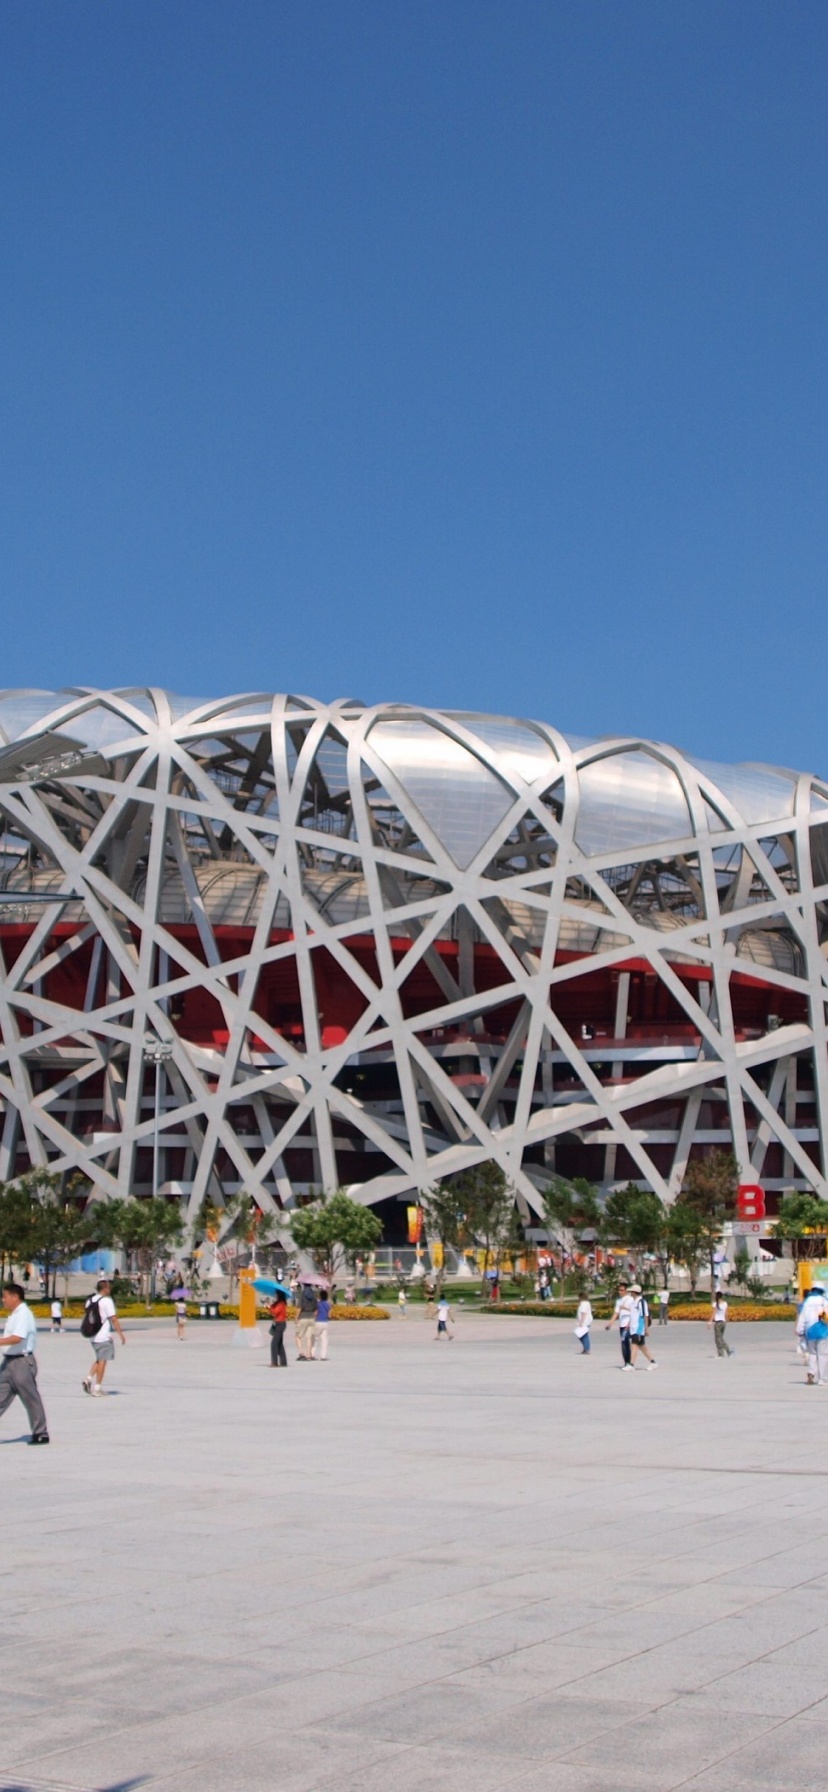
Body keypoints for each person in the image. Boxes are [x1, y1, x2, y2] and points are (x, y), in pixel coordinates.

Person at [0, 1281, 49, 1443]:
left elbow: (17, 1337)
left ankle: (40, 1433)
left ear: (15, 1297)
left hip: (22, 1362)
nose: (3, 1300)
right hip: (9, 1362)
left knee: (30, 1397)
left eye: (5, 1296)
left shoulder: (23, 1314)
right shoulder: (14, 1314)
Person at [82, 1275, 126, 1396]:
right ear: (105, 1288)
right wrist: (121, 1334)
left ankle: (88, 1379)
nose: (110, 1289)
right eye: (108, 1287)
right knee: (102, 1361)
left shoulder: (90, 1300)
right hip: (103, 1336)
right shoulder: (107, 1301)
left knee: (99, 1359)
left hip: (92, 1335)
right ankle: (97, 1388)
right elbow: (114, 1319)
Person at [796, 1282, 828, 1385]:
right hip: (822, 1331)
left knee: (812, 1354)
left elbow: (802, 1317)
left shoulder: (807, 1301)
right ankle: (822, 1379)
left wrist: (800, 1331)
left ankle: (811, 1372)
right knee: (822, 1355)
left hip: (810, 1331)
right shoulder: (824, 1301)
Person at [606, 1280, 634, 1369]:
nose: (620, 1292)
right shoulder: (618, 1301)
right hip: (622, 1325)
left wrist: (625, 1308)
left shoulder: (631, 1299)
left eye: (622, 1290)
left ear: (626, 1291)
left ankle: (629, 1362)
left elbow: (635, 1312)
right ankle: (626, 1362)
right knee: (624, 1343)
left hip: (629, 1324)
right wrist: (610, 1323)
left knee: (627, 1342)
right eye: (619, 1290)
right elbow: (616, 1313)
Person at [628, 1284, 657, 1369]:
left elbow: (645, 1316)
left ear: (634, 1292)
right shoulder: (634, 1302)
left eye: (631, 1291)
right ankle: (653, 1362)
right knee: (642, 1346)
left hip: (639, 1328)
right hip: (633, 1328)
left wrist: (646, 1329)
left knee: (634, 1345)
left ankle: (631, 1365)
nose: (630, 1293)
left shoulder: (641, 1302)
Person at [295, 1283, 318, 1360]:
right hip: (311, 1317)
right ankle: (309, 1354)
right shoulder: (314, 1294)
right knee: (309, 1337)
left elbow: (299, 1307)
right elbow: (316, 1308)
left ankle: (301, 1353)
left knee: (298, 1336)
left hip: (303, 1317)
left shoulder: (302, 1294)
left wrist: (296, 1318)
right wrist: (314, 1316)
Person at [709, 1290, 734, 1359]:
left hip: (718, 1323)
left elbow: (713, 1313)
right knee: (720, 1338)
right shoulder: (725, 1304)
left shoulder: (715, 1304)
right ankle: (729, 1351)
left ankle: (721, 1354)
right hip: (723, 1323)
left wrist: (710, 1321)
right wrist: (727, 1320)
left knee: (718, 1339)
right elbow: (726, 1314)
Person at [269, 1293, 288, 1367]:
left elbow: (275, 1312)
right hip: (278, 1324)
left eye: (277, 1294)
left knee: (274, 1343)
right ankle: (283, 1362)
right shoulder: (278, 1303)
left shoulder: (281, 1303)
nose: (276, 1295)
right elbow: (272, 1311)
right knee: (279, 1344)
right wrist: (270, 1306)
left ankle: (274, 1362)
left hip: (280, 1324)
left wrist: (270, 1307)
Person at [314, 1290, 331, 1360]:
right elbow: (329, 1315)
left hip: (318, 1322)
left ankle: (312, 1354)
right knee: (324, 1340)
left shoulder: (318, 1304)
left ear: (320, 1296)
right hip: (325, 1322)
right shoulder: (328, 1304)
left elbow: (315, 1313)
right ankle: (323, 1356)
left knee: (315, 1339)